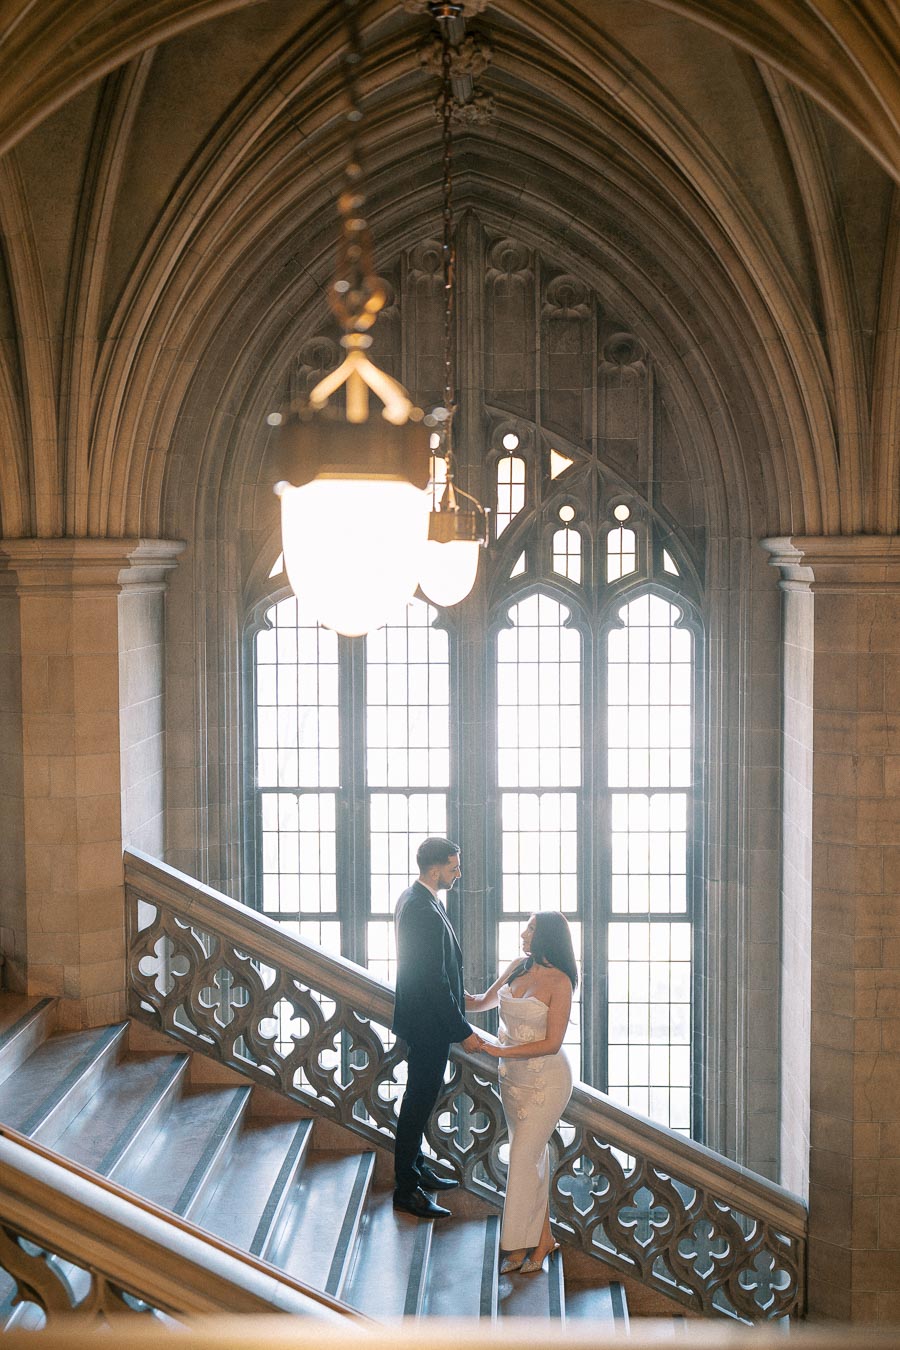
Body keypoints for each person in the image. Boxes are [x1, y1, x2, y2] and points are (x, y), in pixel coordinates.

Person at [466, 911, 576, 1273]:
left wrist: (500, 1051)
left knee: (522, 1158)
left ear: (546, 936)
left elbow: (551, 1043)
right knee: (533, 1162)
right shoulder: (517, 967)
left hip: (546, 1081)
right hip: (512, 1081)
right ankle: (543, 1241)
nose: (523, 933)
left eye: (530, 928)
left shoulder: (561, 983)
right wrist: (441, 991)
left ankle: (515, 1248)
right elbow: (482, 1001)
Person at [391, 837, 485, 1218]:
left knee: (422, 1098)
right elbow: (431, 979)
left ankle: (415, 1168)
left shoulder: (417, 898)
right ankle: (406, 1189)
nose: (458, 873)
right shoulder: (422, 909)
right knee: (417, 1102)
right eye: (453, 866)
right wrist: (462, 1030)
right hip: (428, 1024)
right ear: (435, 870)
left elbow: (435, 965)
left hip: (425, 1019)